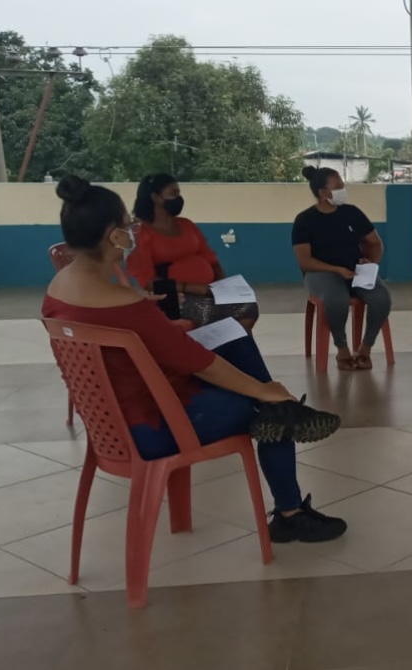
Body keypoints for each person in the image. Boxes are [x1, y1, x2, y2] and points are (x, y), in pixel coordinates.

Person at [42, 176, 348, 543]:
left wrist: (163, 327)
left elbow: (131, 343)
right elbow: (199, 363)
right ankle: (290, 509)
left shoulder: (58, 292)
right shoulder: (126, 305)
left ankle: (281, 415)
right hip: (155, 424)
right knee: (271, 411)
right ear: (113, 236)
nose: (132, 232)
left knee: (235, 338)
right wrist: (263, 391)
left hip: (112, 423)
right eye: (127, 226)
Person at [126, 174, 260, 330]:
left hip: (209, 291)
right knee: (216, 313)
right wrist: (193, 288)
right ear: (156, 197)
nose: (179, 198)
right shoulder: (141, 233)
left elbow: (211, 259)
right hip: (176, 297)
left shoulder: (186, 224)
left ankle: (232, 343)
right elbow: (148, 282)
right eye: (173, 193)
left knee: (249, 307)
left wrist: (221, 285)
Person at [293, 166, 392, 371]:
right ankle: (342, 349)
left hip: (355, 272)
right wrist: (336, 270)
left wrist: (371, 262)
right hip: (321, 273)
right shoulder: (304, 220)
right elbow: (305, 261)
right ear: (323, 192)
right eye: (338, 187)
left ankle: (365, 348)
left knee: (381, 298)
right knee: (336, 299)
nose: (343, 191)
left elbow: (375, 243)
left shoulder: (352, 213)